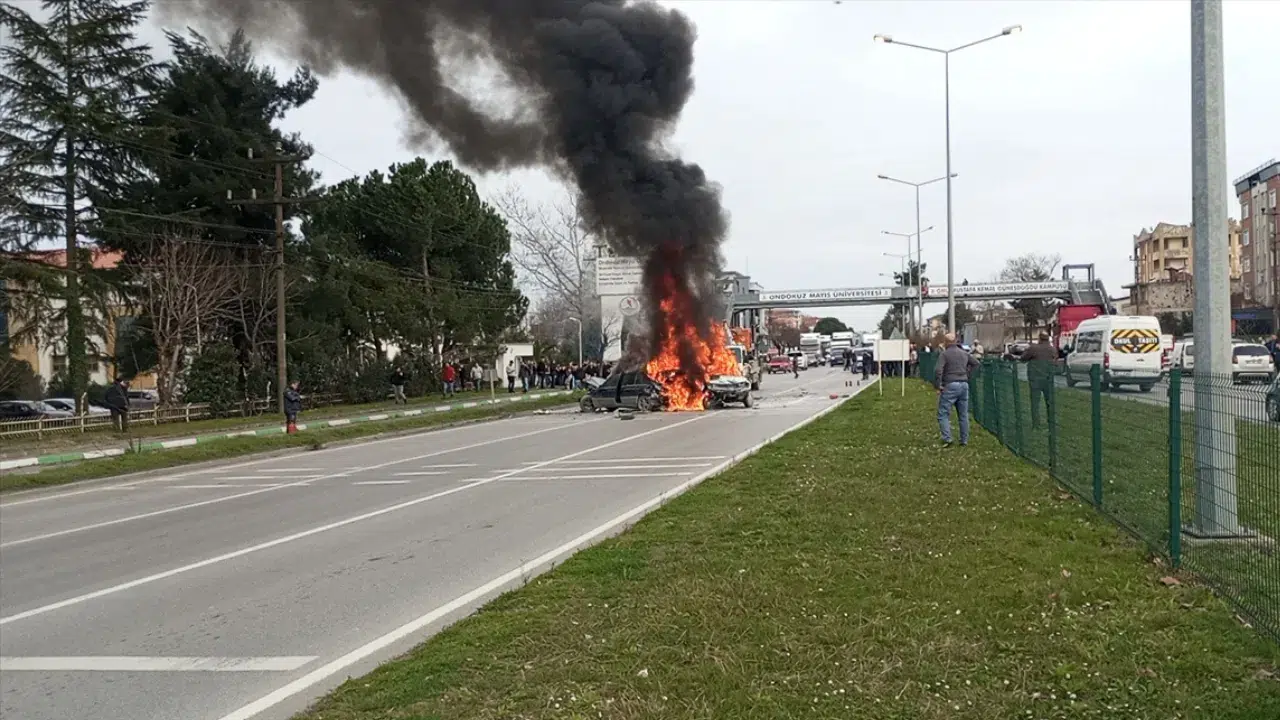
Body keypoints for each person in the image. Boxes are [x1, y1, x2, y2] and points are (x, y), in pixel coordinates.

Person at [934, 332, 979, 447]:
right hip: (964, 385)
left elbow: (939, 370)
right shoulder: (964, 353)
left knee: (943, 413)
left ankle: (947, 438)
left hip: (950, 384)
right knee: (963, 415)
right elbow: (976, 363)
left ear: (945, 342)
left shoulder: (944, 354)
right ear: (956, 341)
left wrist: (938, 385)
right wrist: (967, 374)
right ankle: (964, 440)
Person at [1021, 332, 1058, 428]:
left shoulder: (1033, 348)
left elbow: (1023, 358)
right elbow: (1055, 362)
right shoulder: (1053, 349)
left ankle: (1036, 424)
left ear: (1040, 339)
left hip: (1035, 378)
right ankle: (1051, 422)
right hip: (1048, 378)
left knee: (1035, 402)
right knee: (1049, 402)